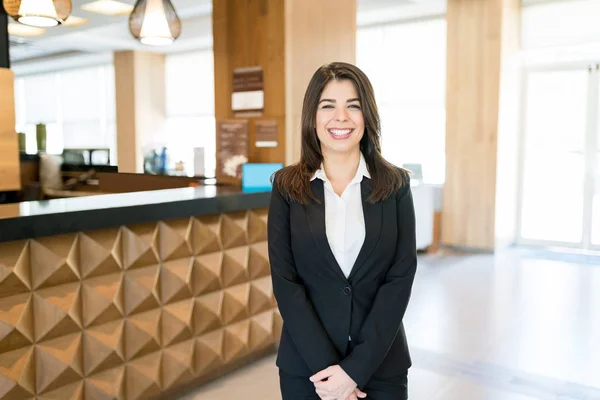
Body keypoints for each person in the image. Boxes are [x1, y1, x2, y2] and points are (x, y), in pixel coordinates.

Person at [267, 61, 417, 400]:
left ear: (368, 116)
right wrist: (330, 376)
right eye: (328, 106)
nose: (341, 117)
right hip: (307, 370)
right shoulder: (286, 187)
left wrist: (354, 372)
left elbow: (400, 278)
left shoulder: (396, 185)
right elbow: (286, 283)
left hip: (380, 367)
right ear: (312, 116)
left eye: (353, 106)